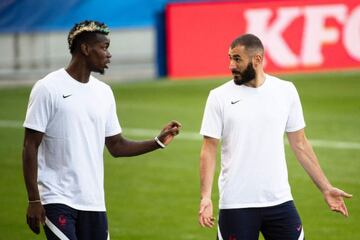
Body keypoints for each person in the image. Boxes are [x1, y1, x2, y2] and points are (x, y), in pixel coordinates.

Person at [22, 20, 181, 240]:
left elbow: (116, 146)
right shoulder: (48, 88)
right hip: (56, 199)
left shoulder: (104, 92)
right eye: (104, 47)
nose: (109, 54)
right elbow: (30, 145)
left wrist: (158, 141)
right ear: (85, 49)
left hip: (94, 202)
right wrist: (33, 200)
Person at [198, 33, 352, 240]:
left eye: (237, 59)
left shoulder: (286, 91)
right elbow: (209, 149)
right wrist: (206, 197)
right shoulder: (219, 97)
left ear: (257, 59)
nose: (231, 65)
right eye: (229, 58)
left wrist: (326, 187)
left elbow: (300, 144)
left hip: (279, 201)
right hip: (236, 203)